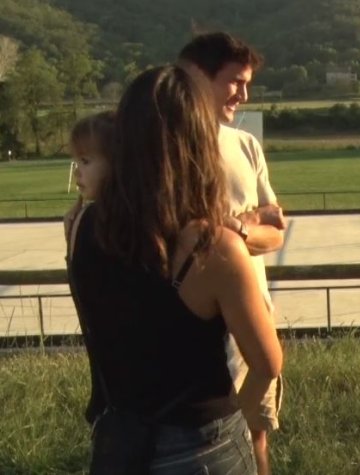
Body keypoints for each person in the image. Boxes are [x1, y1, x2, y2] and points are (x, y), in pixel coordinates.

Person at [66, 65, 283, 474]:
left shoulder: (81, 227)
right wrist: (239, 418)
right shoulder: (214, 247)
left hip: (120, 439)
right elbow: (268, 363)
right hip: (203, 445)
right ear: (199, 141)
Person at [178, 31, 284, 475]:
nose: (244, 93)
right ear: (196, 77)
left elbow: (276, 230)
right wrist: (249, 225)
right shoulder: (167, 147)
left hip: (251, 316)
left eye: (247, 82)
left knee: (255, 434)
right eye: (234, 81)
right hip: (193, 331)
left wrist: (233, 231)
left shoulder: (245, 144)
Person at [63, 111, 115, 241]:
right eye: (76, 162)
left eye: (85, 161)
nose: (76, 172)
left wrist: (74, 237)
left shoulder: (91, 222)